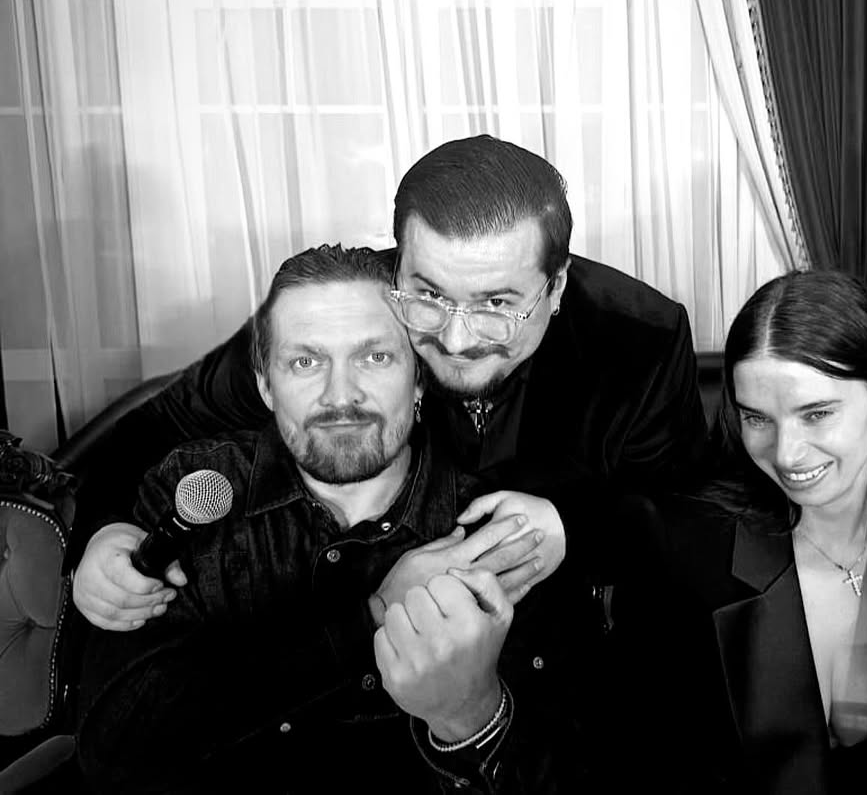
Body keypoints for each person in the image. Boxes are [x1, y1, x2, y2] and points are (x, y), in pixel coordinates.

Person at [73, 134, 708, 632]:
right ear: (397, 260)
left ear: (557, 285)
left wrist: (575, 526)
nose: (455, 342)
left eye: (496, 304)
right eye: (427, 294)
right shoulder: (334, 313)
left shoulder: (642, 338)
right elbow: (148, 431)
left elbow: (690, 520)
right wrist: (103, 536)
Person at [77, 244, 584, 794]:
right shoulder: (192, 491)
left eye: (375, 357)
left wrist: (467, 716)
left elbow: (569, 772)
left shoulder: (495, 532)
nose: (340, 396)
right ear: (266, 386)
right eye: (306, 362)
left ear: (419, 380)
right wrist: (371, 619)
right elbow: (114, 755)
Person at [611, 270, 867, 794]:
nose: (786, 454)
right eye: (758, 419)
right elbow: (643, 760)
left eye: (817, 413)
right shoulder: (683, 546)